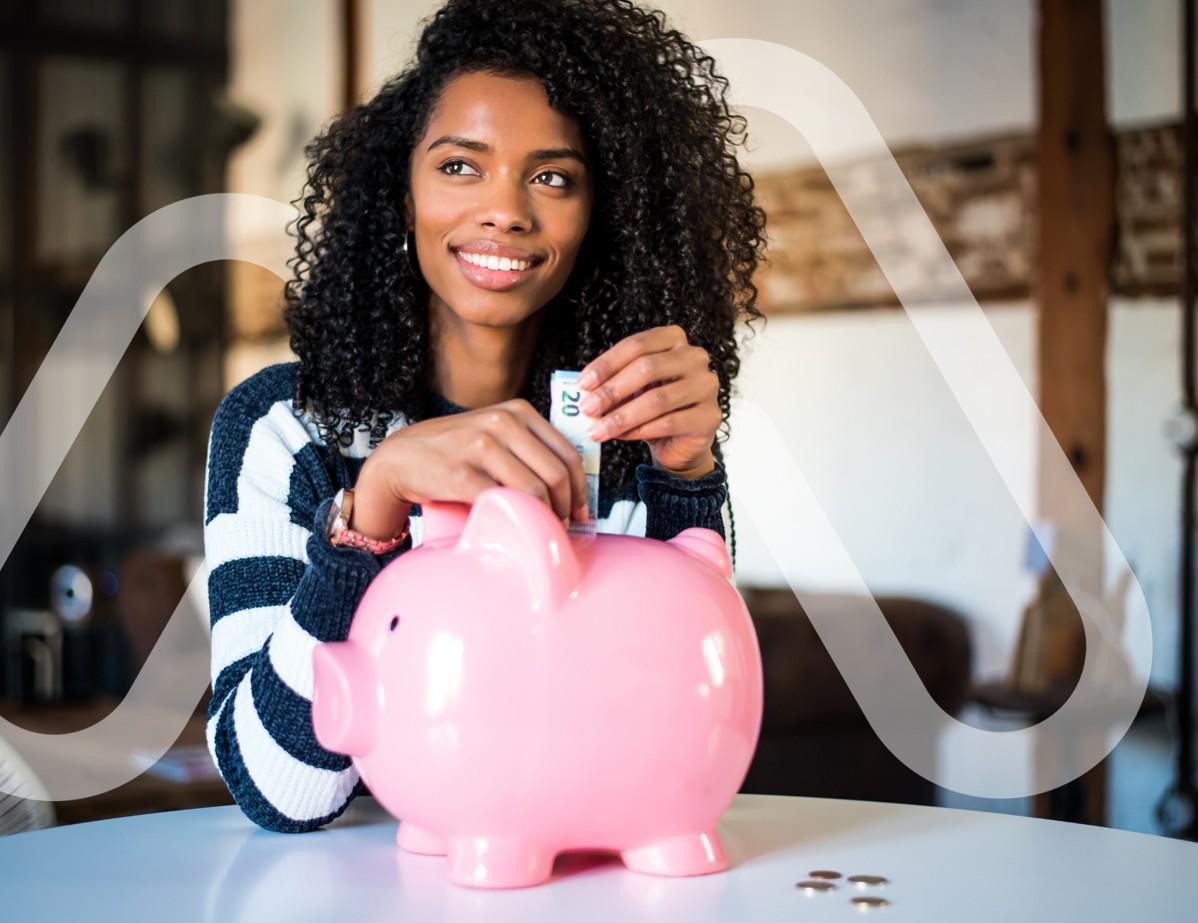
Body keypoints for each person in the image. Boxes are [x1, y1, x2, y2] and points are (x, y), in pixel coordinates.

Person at [204, 0, 767, 833]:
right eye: (461, 166)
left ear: (597, 213)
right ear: (402, 194)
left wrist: (686, 475)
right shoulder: (287, 426)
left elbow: (661, 732)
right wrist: (375, 502)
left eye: (552, 176)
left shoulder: (618, 427)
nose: (505, 209)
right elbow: (278, 790)